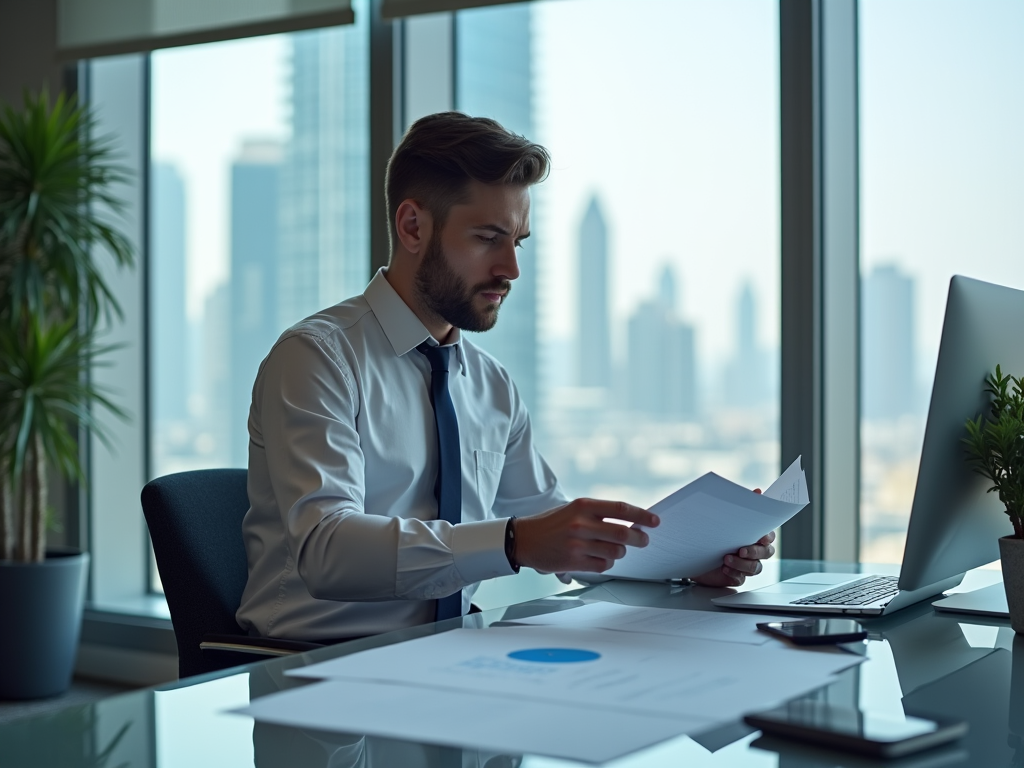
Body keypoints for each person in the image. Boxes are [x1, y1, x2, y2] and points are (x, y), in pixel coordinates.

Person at [236, 112, 775, 641]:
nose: (510, 269)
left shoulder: (490, 386)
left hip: (448, 660)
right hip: (311, 672)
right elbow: (327, 552)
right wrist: (514, 542)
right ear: (412, 226)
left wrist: (686, 564)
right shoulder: (317, 359)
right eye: (488, 238)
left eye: (517, 242)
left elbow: (557, 535)